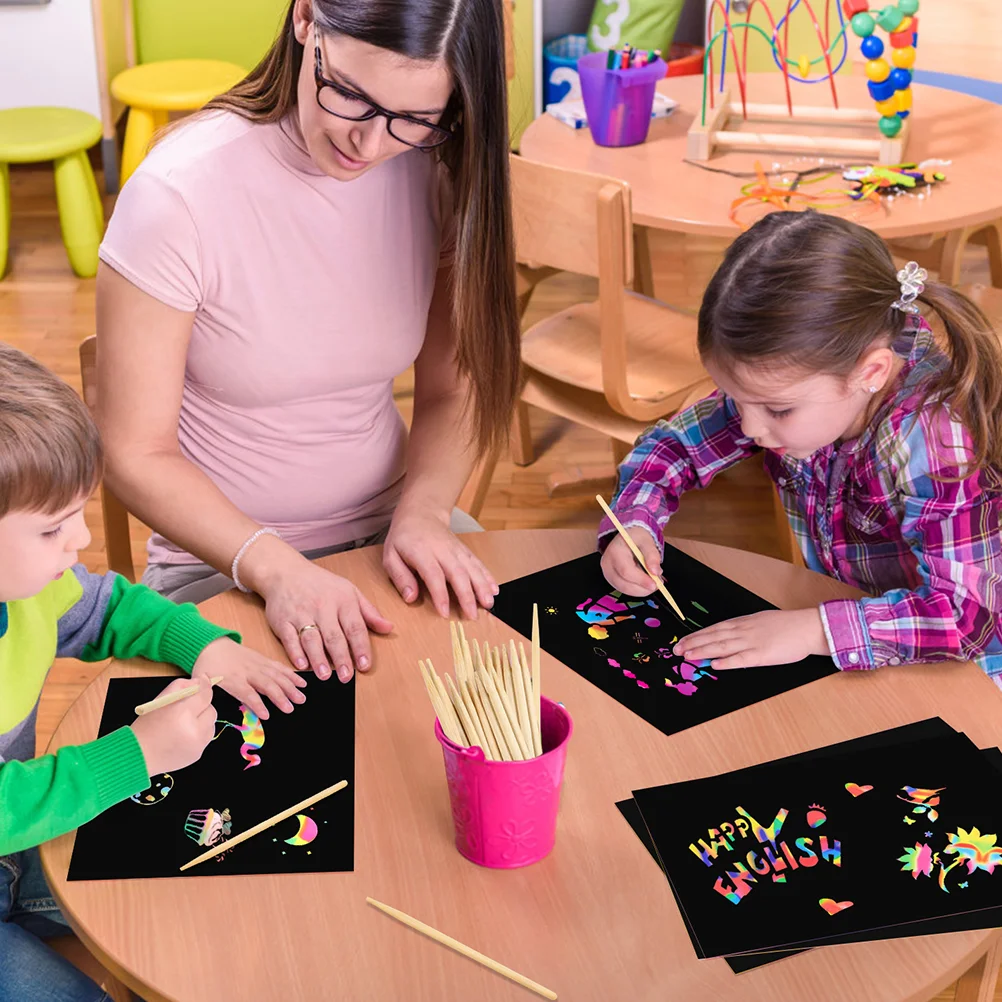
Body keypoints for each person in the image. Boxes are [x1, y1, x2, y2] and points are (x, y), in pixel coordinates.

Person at [95, 0, 519, 685]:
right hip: (223, 561)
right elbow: (132, 452)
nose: (370, 144)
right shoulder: (180, 193)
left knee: (513, 703)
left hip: (393, 526)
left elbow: (453, 390)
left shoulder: (432, 171)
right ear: (304, 22)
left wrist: (425, 512)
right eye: (350, 95)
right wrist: (275, 566)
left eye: (413, 119)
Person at [0, 344, 305, 1000]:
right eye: (54, 529)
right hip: (11, 833)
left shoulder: (28, 589)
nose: (80, 540)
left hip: (16, 854)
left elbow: (110, 606)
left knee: (211, 898)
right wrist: (133, 756)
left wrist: (202, 645)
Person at [600, 211, 1002, 678]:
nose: (749, 428)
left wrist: (814, 631)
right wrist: (635, 521)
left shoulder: (934, 439)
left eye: (776, 410)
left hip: (967, 675)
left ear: (870, 372)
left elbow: (970, 616)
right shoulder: (802, 381)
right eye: (736, 399)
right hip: (862, 638)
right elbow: (673, 448)